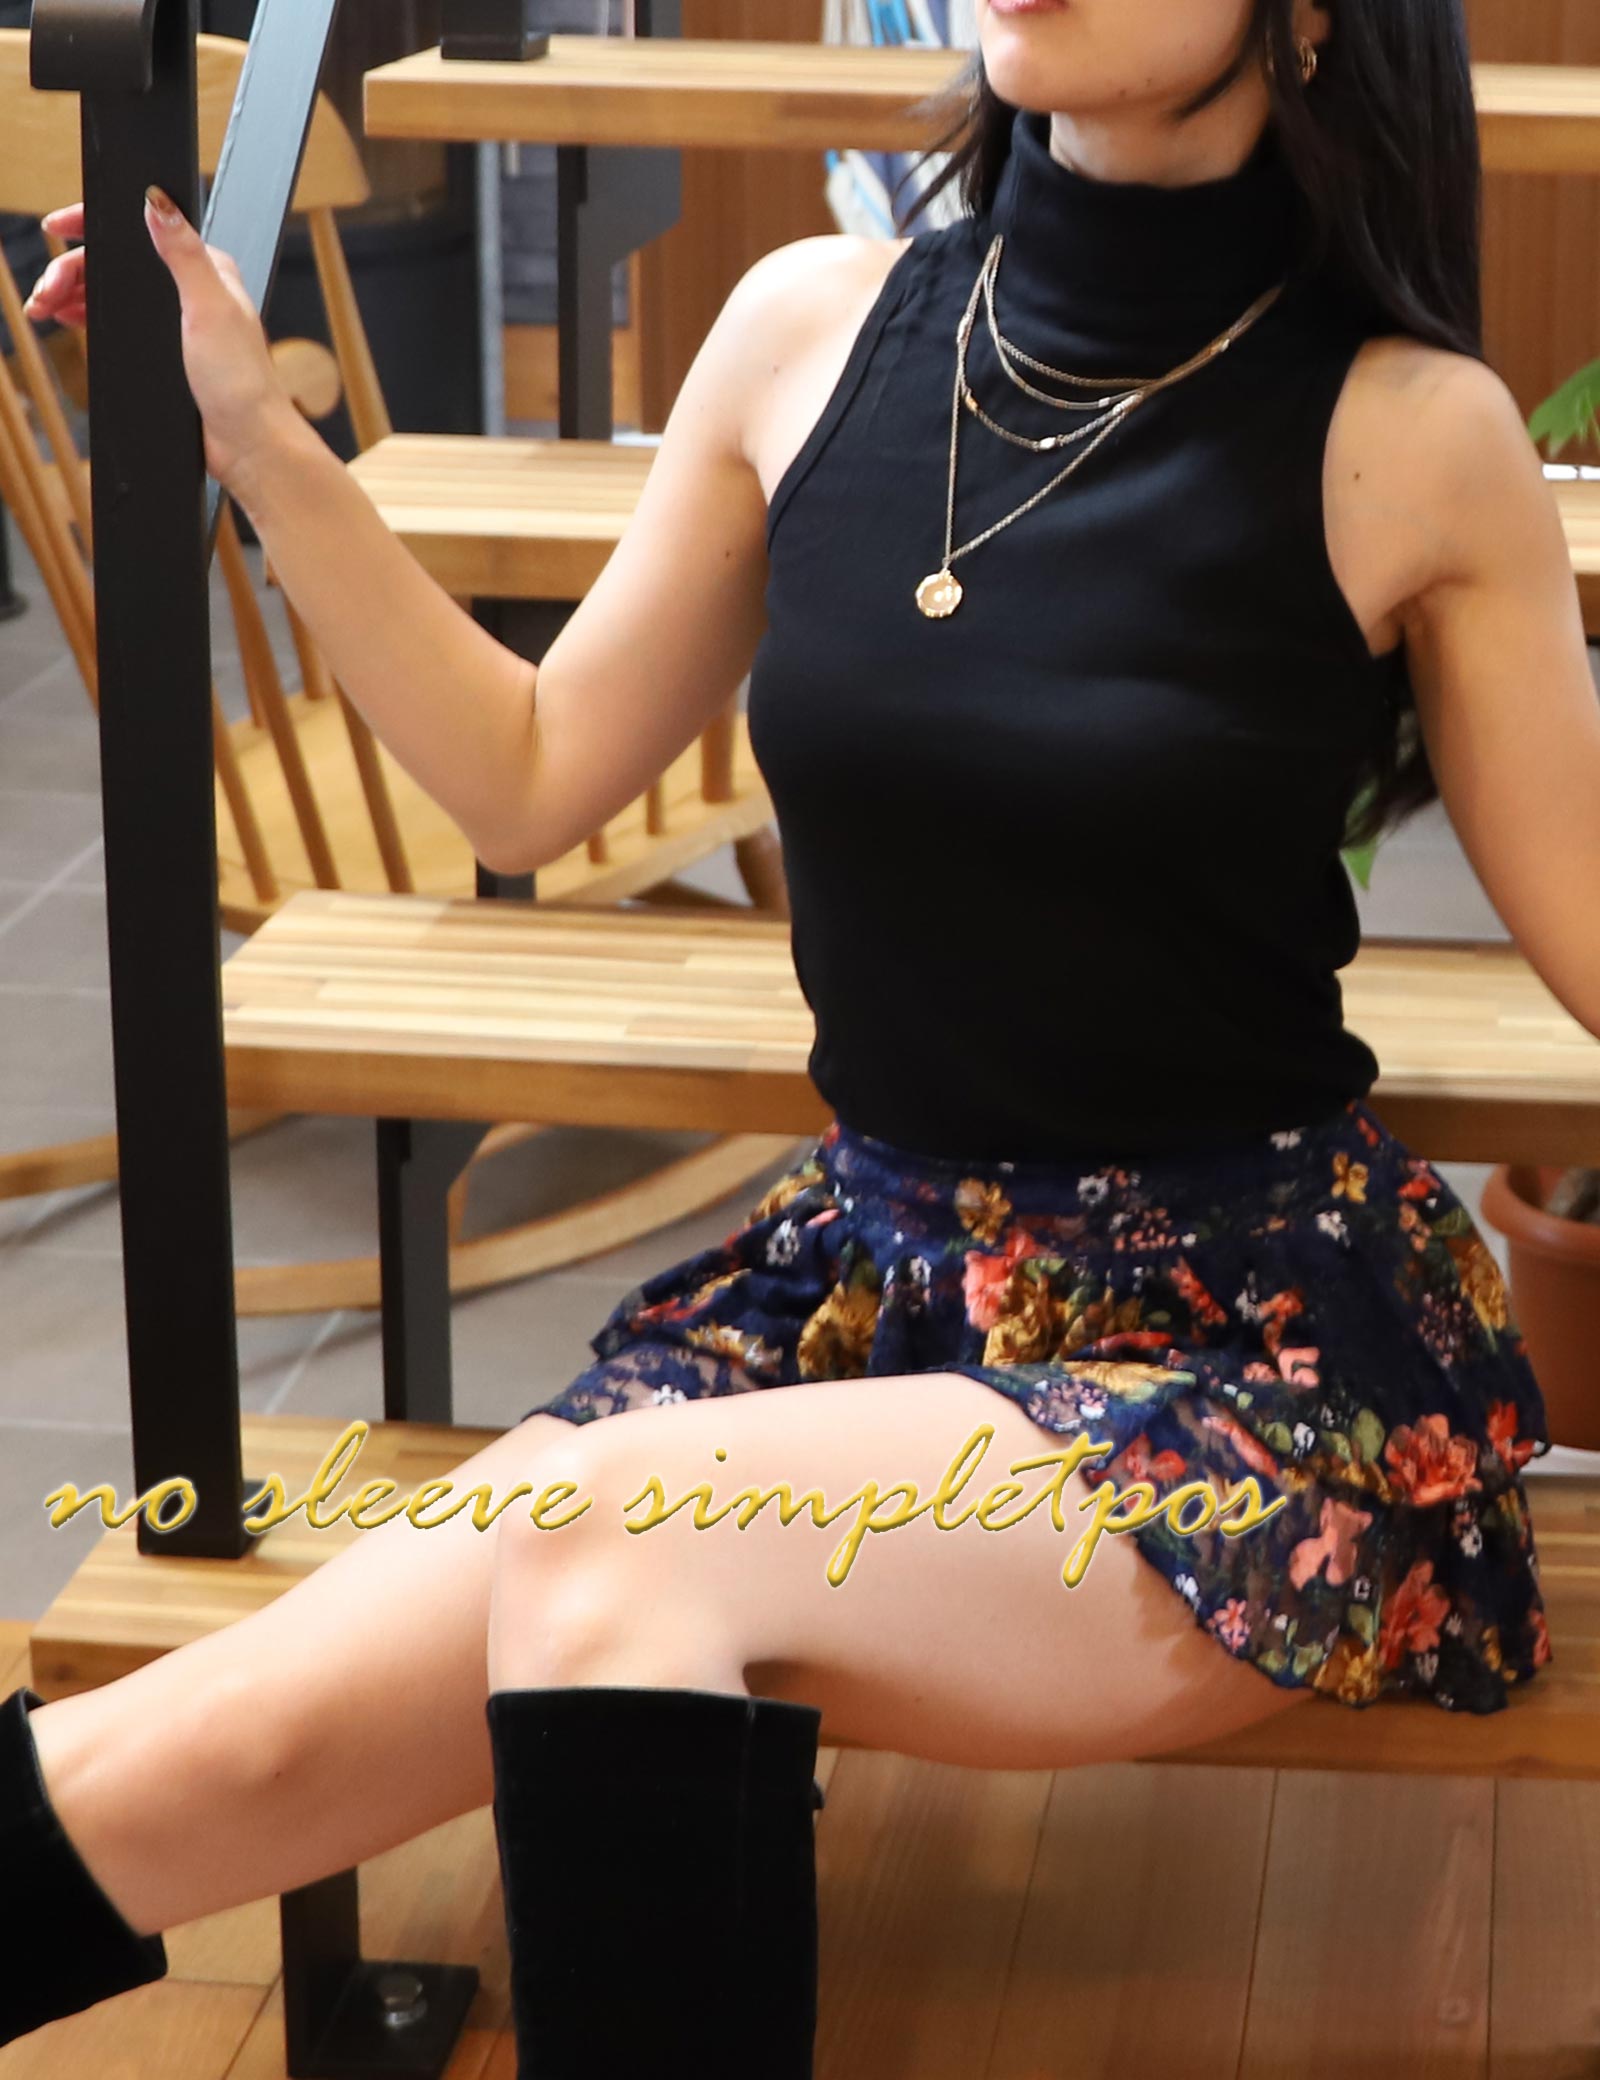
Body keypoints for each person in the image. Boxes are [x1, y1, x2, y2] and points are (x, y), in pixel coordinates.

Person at [3, 1, 1585, 2073]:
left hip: (1244, 1376)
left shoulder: (1408, 433)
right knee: (174, 1757)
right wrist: (255, 436)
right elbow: (526, 775)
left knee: (605, 1544)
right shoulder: (806, 329)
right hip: (862, 1308)